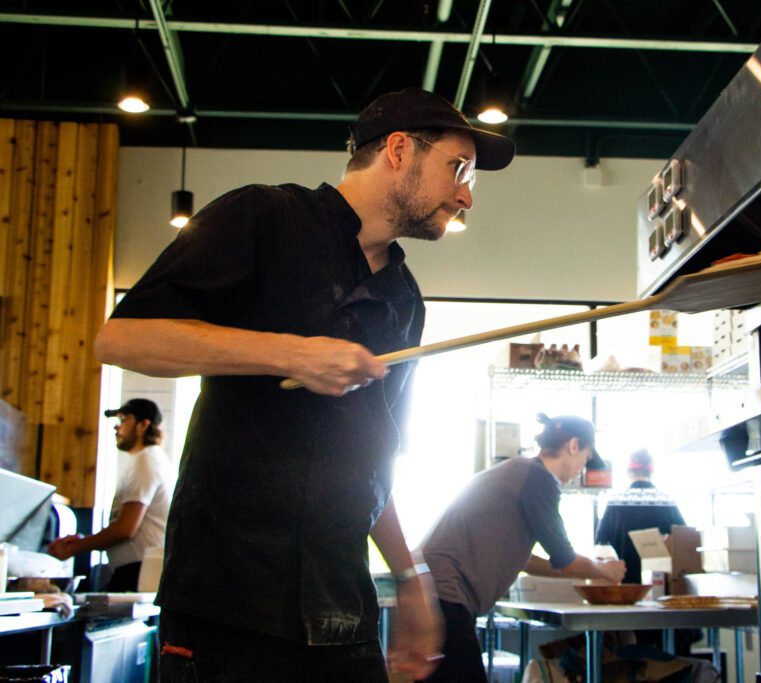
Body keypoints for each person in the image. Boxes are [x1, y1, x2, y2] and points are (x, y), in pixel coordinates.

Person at [93, 88, 515, 682]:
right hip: (226, 605)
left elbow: (375, 459)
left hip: (344, 614)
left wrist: (411, 576)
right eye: (459, 168)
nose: (466, 194)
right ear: (398, 150)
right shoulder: (263, 218)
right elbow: (124, 339)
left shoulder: (405, 301)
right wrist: (288, 352)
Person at [419, 414, 627, 683]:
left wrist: (587, 572)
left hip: (431, 591)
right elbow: (564, 559)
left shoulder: (520, 472)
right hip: (446, 596)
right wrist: (604, 571)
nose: (580, 470)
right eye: (585, 460)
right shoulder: (538, 478)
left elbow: (527, 560)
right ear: (573, 445)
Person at [47, 398, 173, 592]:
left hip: (137, 573)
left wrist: (76, 548)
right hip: (137, 571)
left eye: (124, 419)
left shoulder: (146, 461)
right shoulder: (148, 460)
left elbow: (125, 529)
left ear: (143, 425)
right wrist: (83, 541)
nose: (117, 427)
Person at [595, 448, 685, 584]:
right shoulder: (666, 502)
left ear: (628, 472)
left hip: (624, 586)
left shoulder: (615, 503)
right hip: (660, 586)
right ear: (652, 471)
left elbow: (601, 543)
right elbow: (683, 541)